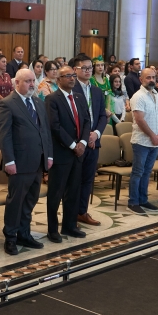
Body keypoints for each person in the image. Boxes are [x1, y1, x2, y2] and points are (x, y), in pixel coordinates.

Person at [0, 67, 53, 255]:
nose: (32, 84)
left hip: (38, 161)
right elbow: (4, 135)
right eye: (28, 81)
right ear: (17, 83)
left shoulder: (38, 102)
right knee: (16, 201)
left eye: (33, 81)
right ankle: (10, 237)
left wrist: (49, 155)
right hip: (19, 162)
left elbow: (45, 131)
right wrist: (9, 161)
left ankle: (24, 233)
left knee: (30, 200)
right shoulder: (7, 104)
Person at [45, 66, 91, 241]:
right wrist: (73, 145)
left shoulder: (78, 97)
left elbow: (86, 121)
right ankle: (52, 230)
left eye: (73, 75)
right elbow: (55, 126)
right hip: (62, 153)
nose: (72, 78)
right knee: (56, 193)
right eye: (67, 76)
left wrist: (83, 143)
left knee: (73, 191)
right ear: (59, 80)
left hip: (78, 153)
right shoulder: (52, 99)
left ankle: (69, 226)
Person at [71, 54, 108, 228]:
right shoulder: (72, 89)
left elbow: (102, 116)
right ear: (75, 70)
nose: (88, 71)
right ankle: (71, 215)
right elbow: (72, 118)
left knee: (87, 180)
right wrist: (86, 138)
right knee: (74, 181)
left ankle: (82, 212)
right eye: (84, 68)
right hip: (78, 143)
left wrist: (96, 134)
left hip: (94, 142)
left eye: (90, 68)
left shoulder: (96, 91)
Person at [128, 68, 158, 214]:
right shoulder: (138, 96)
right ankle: (133, 202)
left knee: (147, 172)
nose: (151, 80)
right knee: (138, 172)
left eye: (153, 77)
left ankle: (143, 199)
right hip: (141, 141)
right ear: (141, 79)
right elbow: (139, 119)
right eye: (148, 77)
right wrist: (152, 135)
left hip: (155, 140)